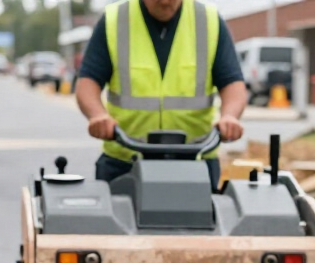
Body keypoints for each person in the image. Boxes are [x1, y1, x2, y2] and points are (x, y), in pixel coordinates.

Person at [75, 0, 247, 191]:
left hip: (195, 161)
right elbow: (87, 83)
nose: (165, 2)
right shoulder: (115, 21)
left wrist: (230, 116)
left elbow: (232, 84)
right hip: (124, 161)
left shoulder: (208, 21)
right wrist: (98, 115)